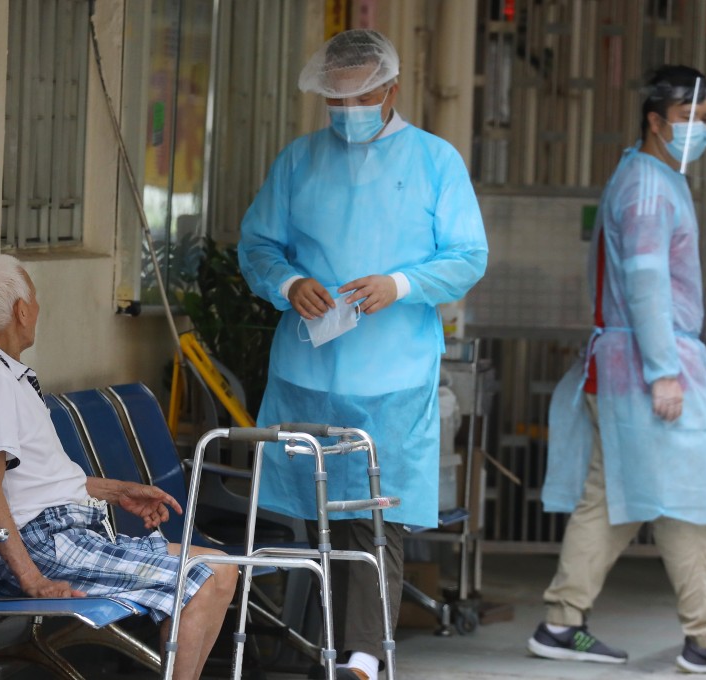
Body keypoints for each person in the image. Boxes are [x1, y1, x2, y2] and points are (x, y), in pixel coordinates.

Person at [238, 29, 488, 680]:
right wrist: (290, 283)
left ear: (391, 89)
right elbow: (258, 244)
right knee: (310, 517)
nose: (348, 111)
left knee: (377, 518)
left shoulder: (435, 162)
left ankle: (363, 657)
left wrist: (399, 284)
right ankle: (316, 649)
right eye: (337, 100)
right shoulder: (299, 161)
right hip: (309, 369)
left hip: (392, 376)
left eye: (361, 97)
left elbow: (467, 256)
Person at [527, 65, 706, 675]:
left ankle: (561, 622)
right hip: (646, 369)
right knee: (686, 500)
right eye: (688, 118)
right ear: (655, 121)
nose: (699, 130)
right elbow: (645, 285)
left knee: (612, 500)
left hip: (623, 367)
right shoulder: (649, 188)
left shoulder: (649, 177)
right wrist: (664, 372)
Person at [0, 254, 238, 680]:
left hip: (61, 535)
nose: (37, 309)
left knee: (223, 567)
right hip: (42, 545)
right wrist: (31, 579)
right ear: (21, 310)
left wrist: (119, 492)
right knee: (203, 582)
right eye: (35, 299)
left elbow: (37, 480)